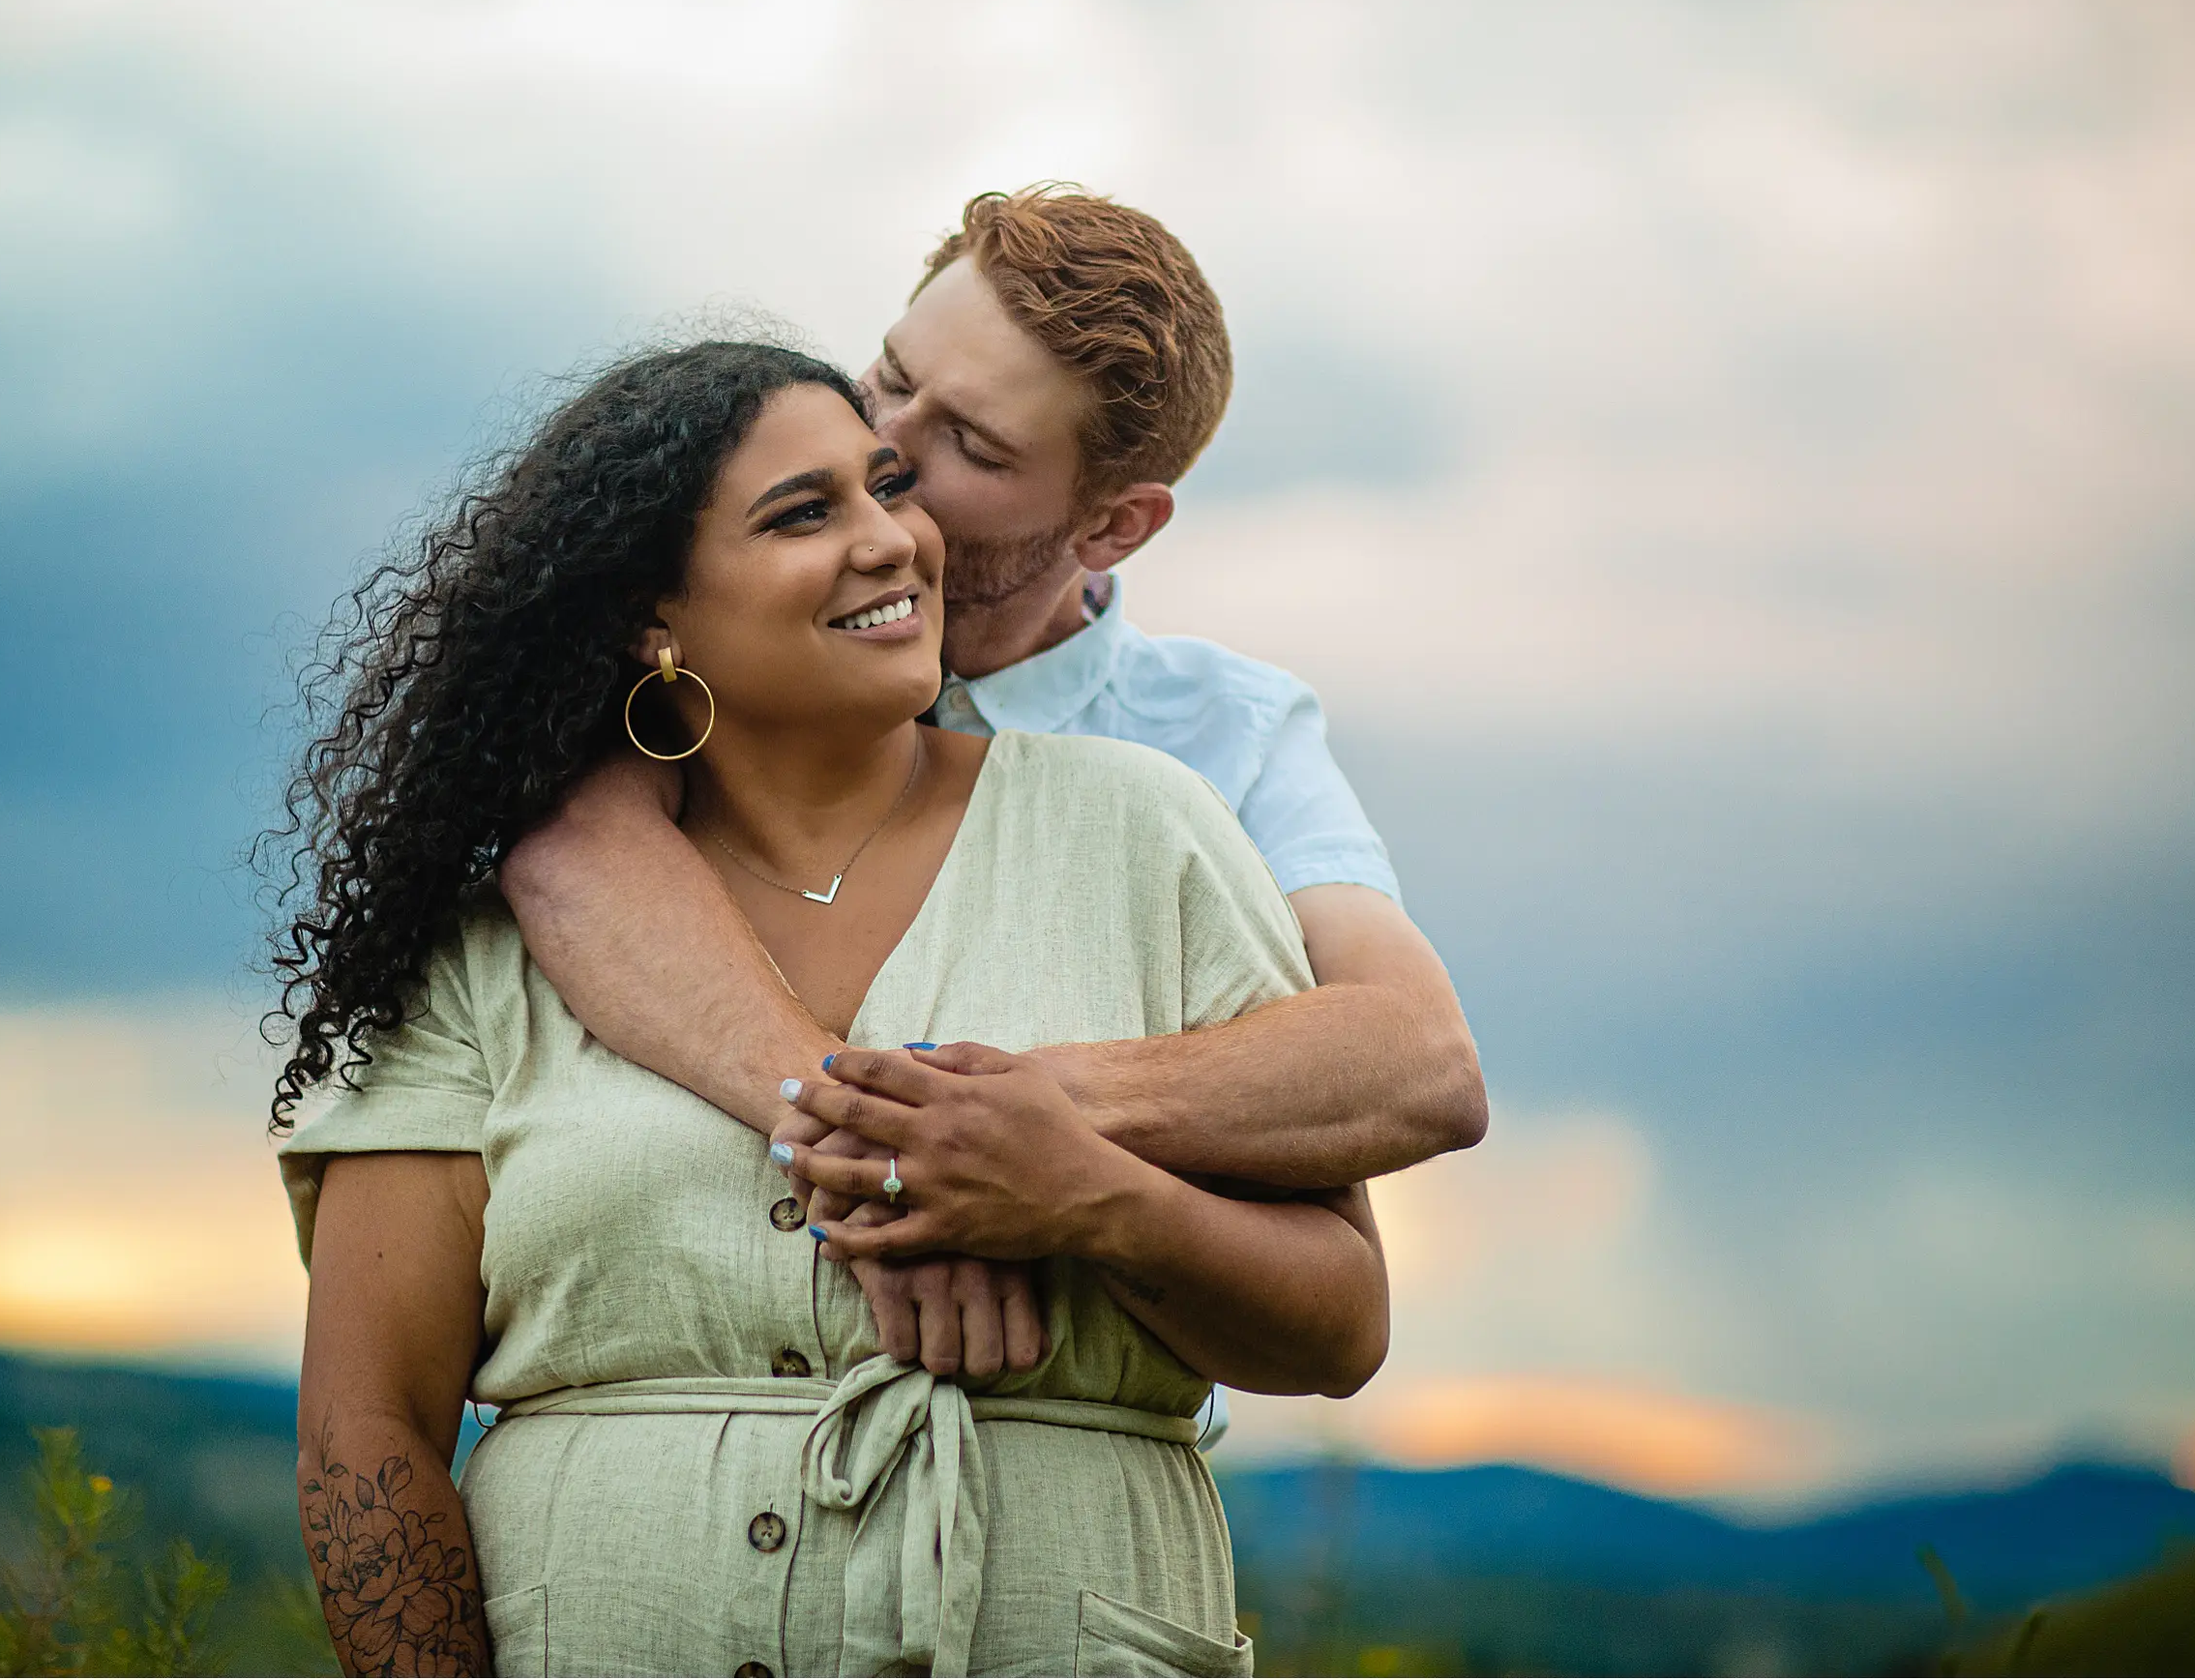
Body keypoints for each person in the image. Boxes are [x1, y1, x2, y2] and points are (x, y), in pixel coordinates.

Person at [278, 342, 1390, 1676]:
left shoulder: (1143, 830)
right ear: (654, 618)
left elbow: (1340, 1321)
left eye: (883, 488)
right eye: (804, 514)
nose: (892, 541)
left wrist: (1086, 1195)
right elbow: (369, 1427)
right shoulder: (497, 938)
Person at [499, 187, 1485, 1374]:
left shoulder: (1222, 734)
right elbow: (569, 835)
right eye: (891, 376)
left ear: (1115, 525)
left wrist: (1010, 1132)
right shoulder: (729, 629)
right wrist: (875, 1146)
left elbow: (1416, 1056)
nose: (886, 451)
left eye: (970, 445)